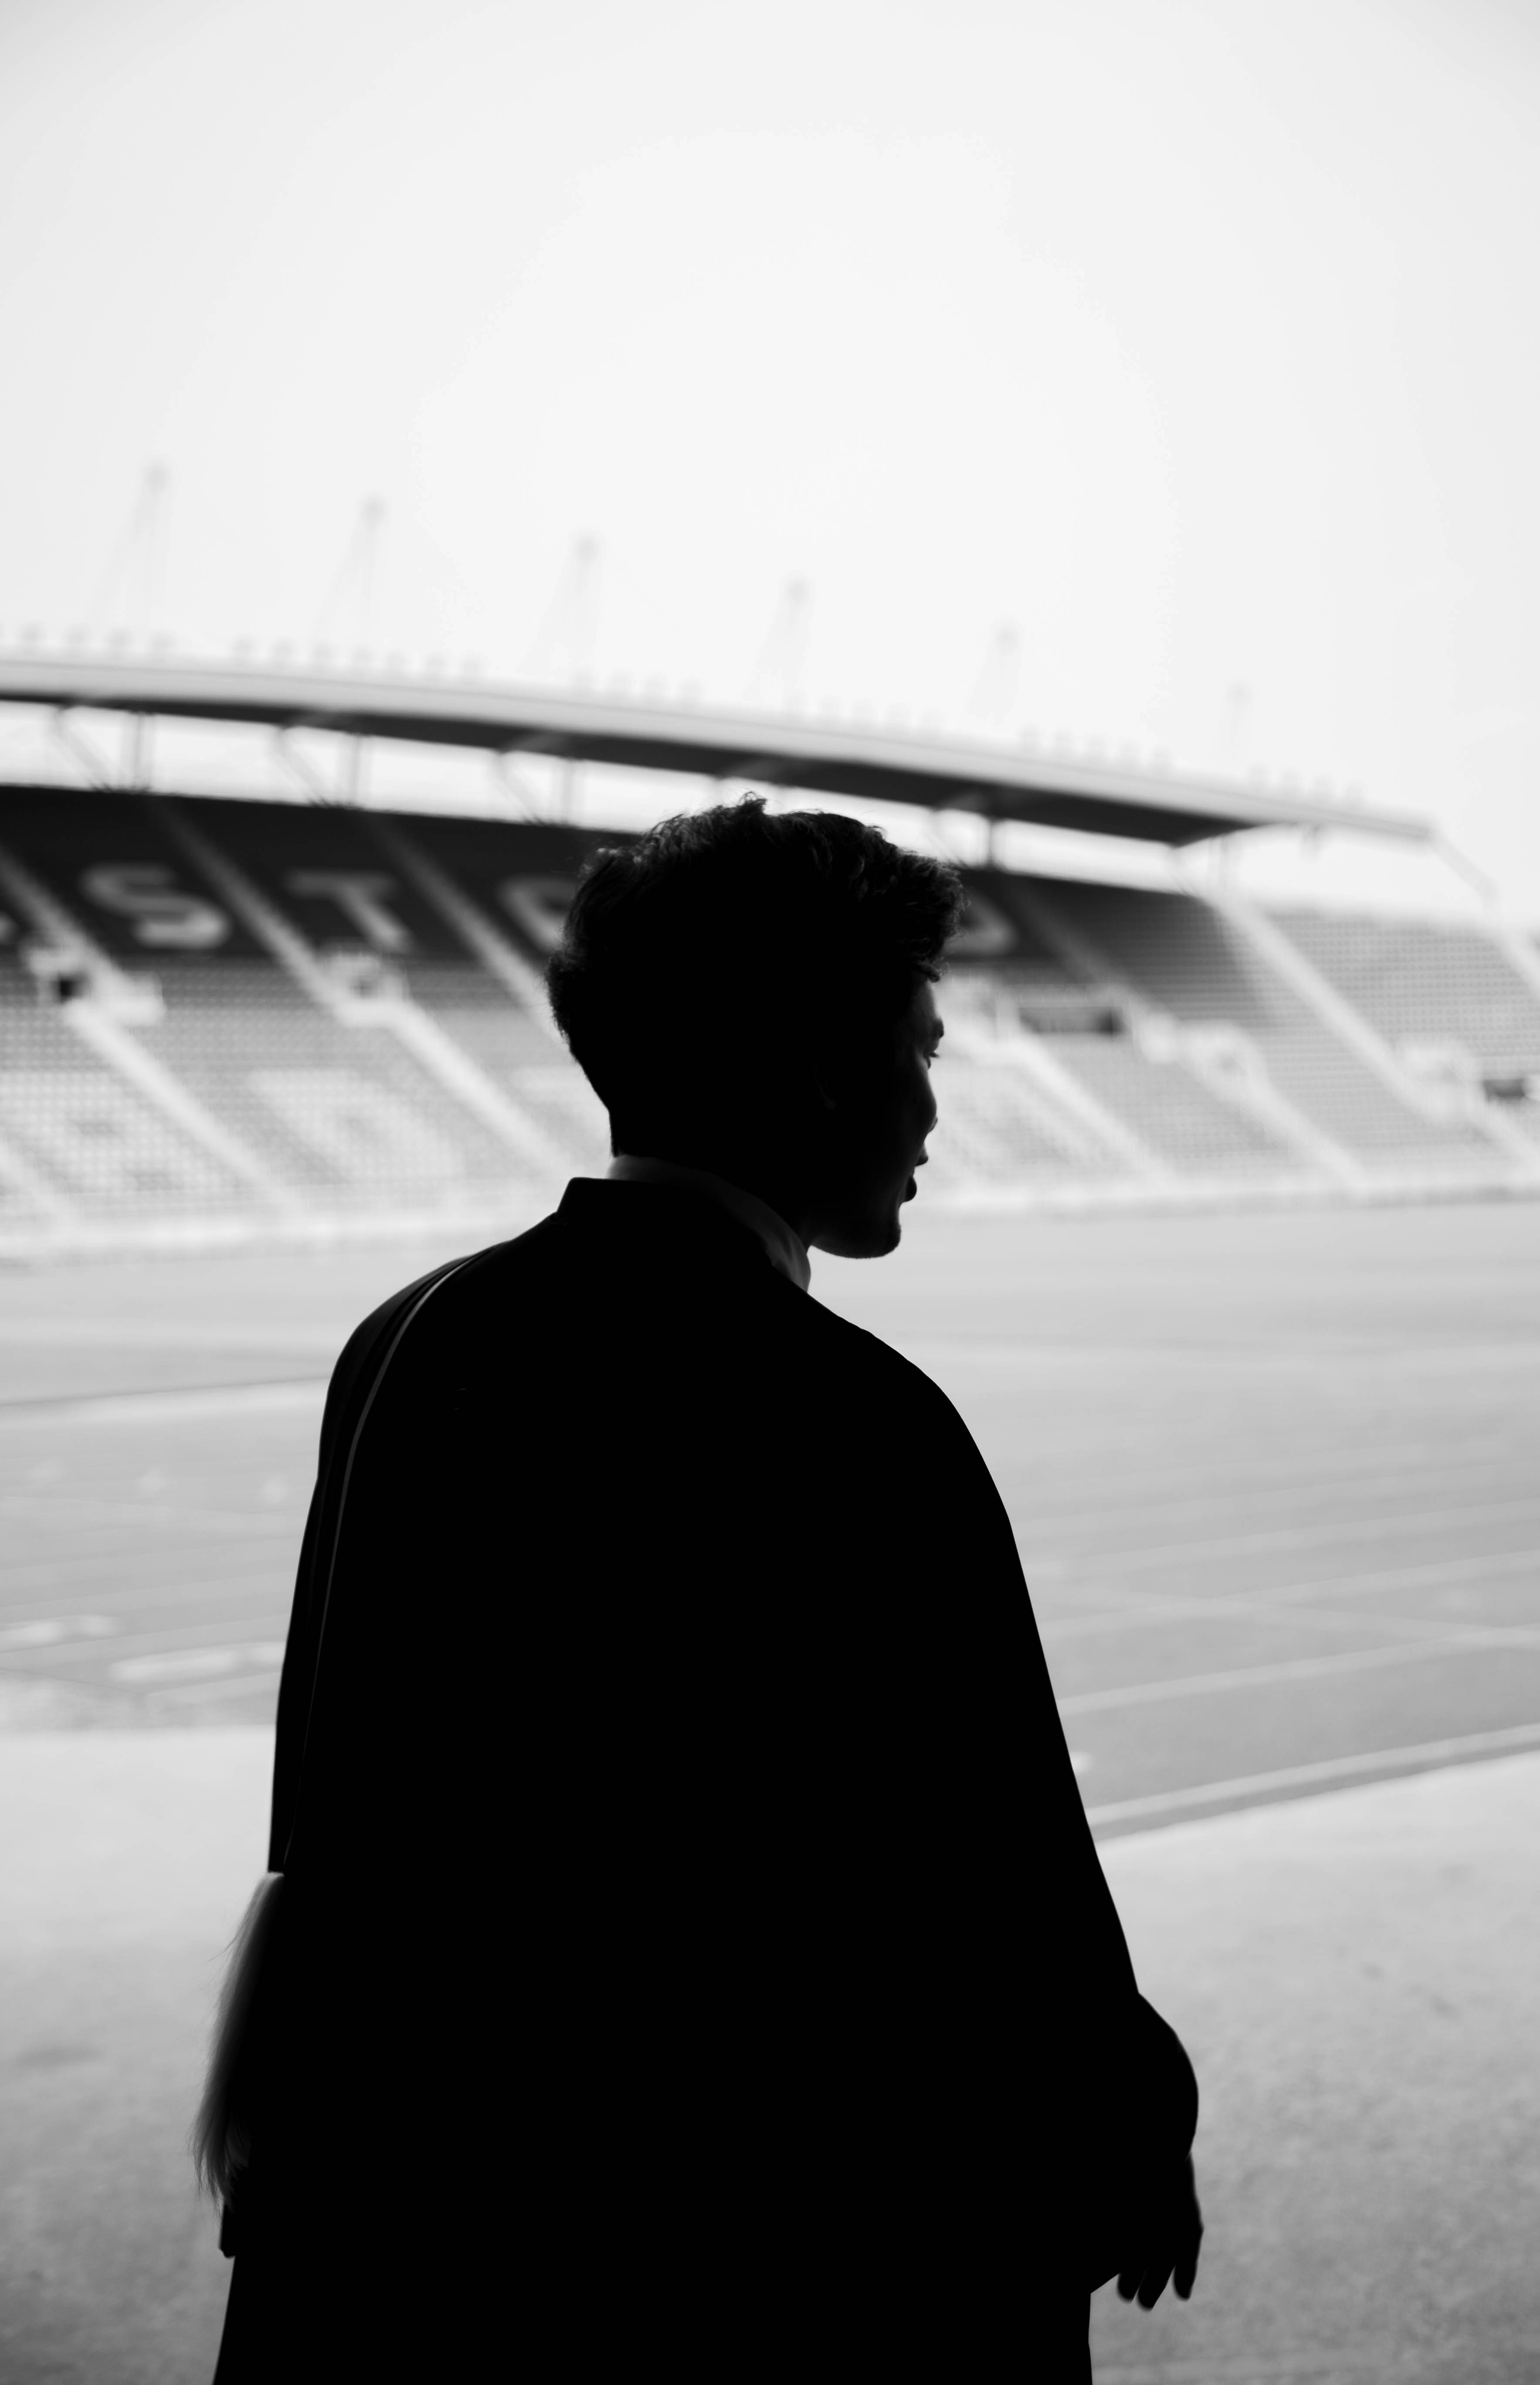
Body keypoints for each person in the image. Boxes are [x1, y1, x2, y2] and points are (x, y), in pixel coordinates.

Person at [194, 793, 1201, 2381]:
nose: (933, 1108)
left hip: (400, 2232)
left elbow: (344, 1797)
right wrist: (1130, 2120)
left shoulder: (406, 1341)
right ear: (821, 1069)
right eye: (919, 1049)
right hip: (747, 2252)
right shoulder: (854, 1416)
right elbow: (999, 1882)